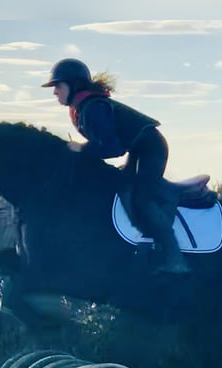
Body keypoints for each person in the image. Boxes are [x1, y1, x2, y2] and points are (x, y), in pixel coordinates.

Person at [41, 58, 190, 274]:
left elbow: (112, 148)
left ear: (74, 85)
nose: (55, 92)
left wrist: (81, 150)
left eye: (58, 86)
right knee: (122, 188)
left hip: (151, 147)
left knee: (142, 197)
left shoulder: (93, 108)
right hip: (138, 148)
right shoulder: (83, 107)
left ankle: (175, 257)